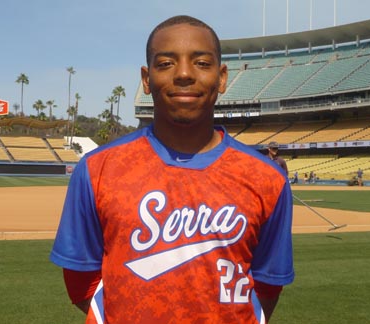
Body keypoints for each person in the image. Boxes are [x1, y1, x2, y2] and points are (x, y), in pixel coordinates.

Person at [50, 15, 294, 324]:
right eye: (165, 63)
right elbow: (79, 281)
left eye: (202, 63)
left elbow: (268, 283)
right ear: (146, 78)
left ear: (221, 77)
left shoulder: (267, 178)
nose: (183, 74)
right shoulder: (97, 169)